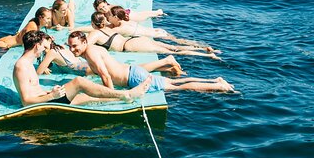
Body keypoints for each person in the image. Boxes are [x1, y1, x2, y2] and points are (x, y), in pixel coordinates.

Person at [13, 30, 151, 106]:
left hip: (47, 99)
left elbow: (34, 91)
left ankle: (123, 97)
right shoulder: (21, 67)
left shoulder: (27, 64)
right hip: (42, 105)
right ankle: (126, 94)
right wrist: (51, 96)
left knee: (89, 97)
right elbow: (26, 101)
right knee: (79, 82)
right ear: (37, 46)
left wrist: (50, 91)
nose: (44, 50)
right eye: (43, 47)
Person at [66, 31, 235, 93]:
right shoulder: (91, 50)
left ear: (84, 42)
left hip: (134, 79)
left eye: (75, 46)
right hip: (133, 73)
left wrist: (113, 96)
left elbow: (106, 76)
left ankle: (219, 86)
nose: (73, 50)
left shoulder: (91, 53)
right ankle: (215, 80)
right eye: (70, 47)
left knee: (177, 86)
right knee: (171, 81)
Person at [84, 12, 219, 58]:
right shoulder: (109, 29)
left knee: (175, 52)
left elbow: (85, 46)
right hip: (136, 39)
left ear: (93, 23)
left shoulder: (95, 33)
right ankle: (203, 49)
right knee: (173, 47)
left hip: (131, 44)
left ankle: (207, 55)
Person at [36, 36, 185, 77]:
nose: (41, 47)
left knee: (125, 72)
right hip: (85, 66)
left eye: (42, 44)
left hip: (86, 70)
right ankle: (166, 66)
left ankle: (166, 61)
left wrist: (43, 65)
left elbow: (37, 72)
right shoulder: (60, 47)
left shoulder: (51, 53)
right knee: (125, 69)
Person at [93, 0, 164, 22]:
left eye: (104, 7)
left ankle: (158, 12)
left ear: (106, 3)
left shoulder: (112, 8)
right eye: (100, 9)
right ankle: (157, 11)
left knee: (145, 16)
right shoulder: (100, 11)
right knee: (141, 13)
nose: (103, 10)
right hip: (127, 12)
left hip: (129, 16)